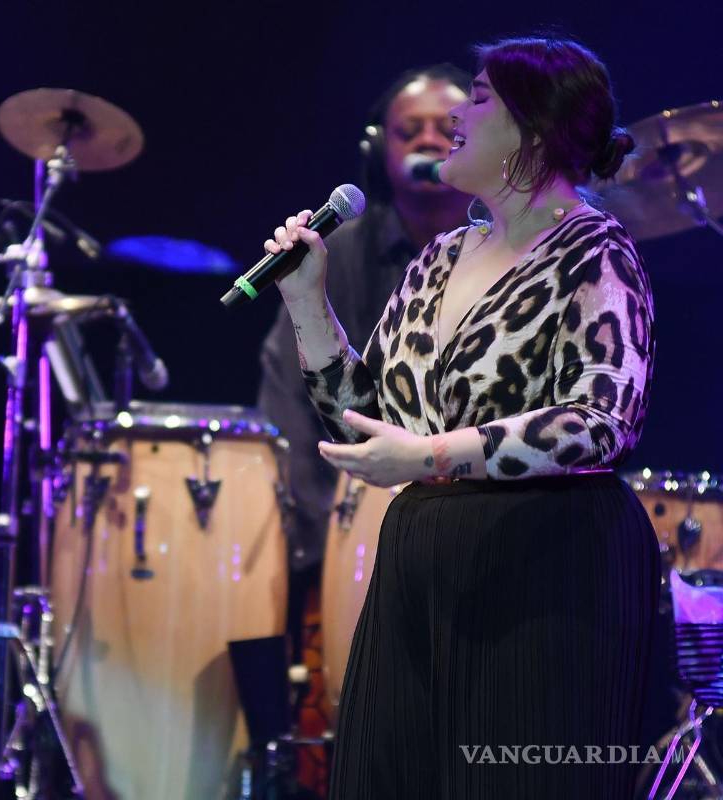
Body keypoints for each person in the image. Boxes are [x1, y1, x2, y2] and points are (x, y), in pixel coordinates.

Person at [265, 38, 657, 798]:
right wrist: (307, 300)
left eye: (477, 100)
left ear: (533, 129)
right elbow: (366, 422)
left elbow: (603, 420)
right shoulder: (443, 256)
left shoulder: (594, 252)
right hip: (424, 558)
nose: (454, 119)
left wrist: (431, 456)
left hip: (546, 563)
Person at [257, 67, 472, 681]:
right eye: (410, 131)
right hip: (352, 528)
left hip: (473, 521)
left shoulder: (505, 257)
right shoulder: (341, 251)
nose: (429, 141)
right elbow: (293, 404)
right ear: (380, 149)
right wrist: (327, 532)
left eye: (448, 128)